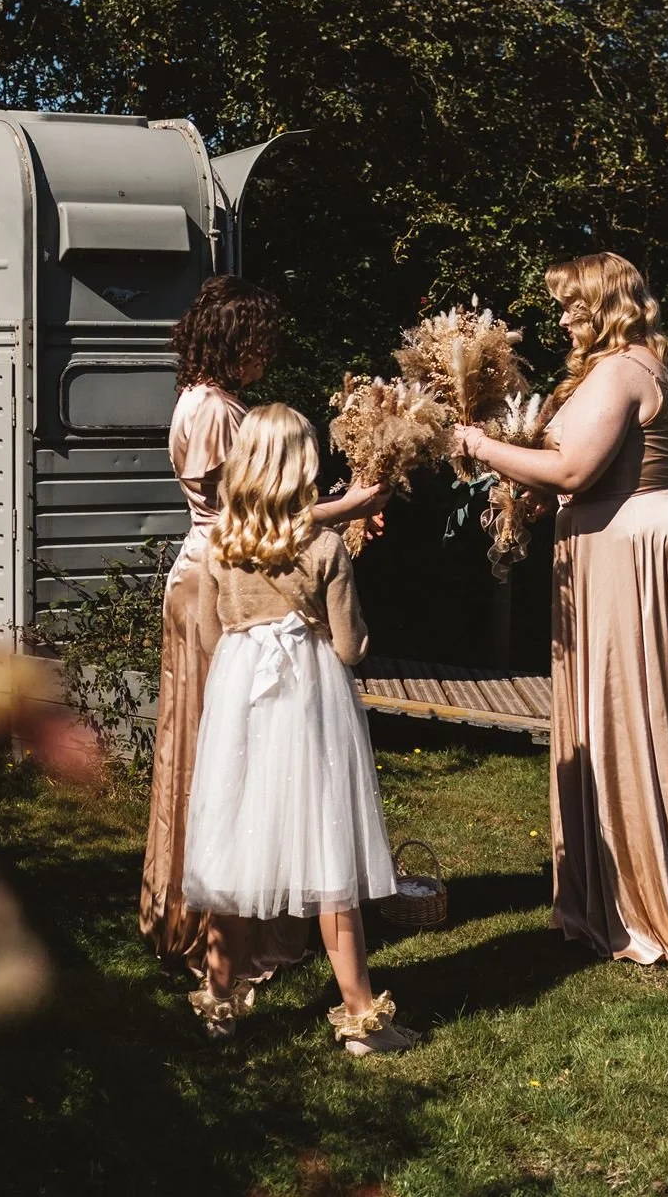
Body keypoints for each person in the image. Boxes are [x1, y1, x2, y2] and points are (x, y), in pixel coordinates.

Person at [453, 253, 668, 970]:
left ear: (601, 303)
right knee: (644, 713)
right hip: (640, 538)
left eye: (568, 305)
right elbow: (588, 473)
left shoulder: (618, 370)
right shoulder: (652, 363)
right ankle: (662, 887)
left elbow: (578, 470)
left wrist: (481, 446)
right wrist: (538, 494)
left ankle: (642, 903)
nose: (559, 318)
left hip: (628, 550)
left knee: (629, 714)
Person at [139, 276, 385, 977]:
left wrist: (340, 511)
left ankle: (246, 910)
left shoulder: (212, 402)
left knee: (232, 749)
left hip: (235, 573)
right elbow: (250, 520)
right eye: (257, 342)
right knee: (218, 746)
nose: (265, 356)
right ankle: (210, 919)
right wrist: (341, 508)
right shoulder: (213, 411)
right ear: (231, 338)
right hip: (222, 585)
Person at [181, 403, 416, 1054]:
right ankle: (361, 1015)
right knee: (328, 852)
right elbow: (349, 645)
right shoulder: (324, 545)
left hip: (242, 704)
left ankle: (219, 1010)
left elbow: (206, 634)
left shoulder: (221, 544)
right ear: (302, 467)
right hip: (308, 703)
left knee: (233, 849)